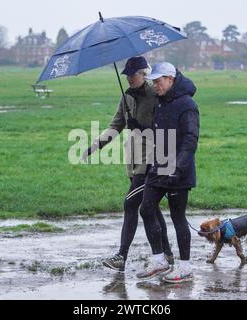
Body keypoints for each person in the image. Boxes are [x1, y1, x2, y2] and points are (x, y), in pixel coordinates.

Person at [82, 56, 174, 272]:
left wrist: (140, 126)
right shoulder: (126, 98)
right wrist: (96, 146)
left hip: (151, 163)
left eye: (134, 74)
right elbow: (115, 124)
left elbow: (164, 129)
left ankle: (121, 256)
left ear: (144, 73)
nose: (129, 78)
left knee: (130, 204)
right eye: (127, 75)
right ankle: (167, 253)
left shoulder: (156, 96)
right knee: (151, 210)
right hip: (133, 164)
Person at [136, 62, 199, 283]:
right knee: (146, 209)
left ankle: (185, 266)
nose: (155, 85)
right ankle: (159, 260)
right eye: (153, 81)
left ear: (171, 79)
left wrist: (178, 167)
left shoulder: (187, 104)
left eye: (159, 81)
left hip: (179, 172)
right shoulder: (159, 103)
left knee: (177, 217)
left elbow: (191, 139)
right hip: (159, 166)